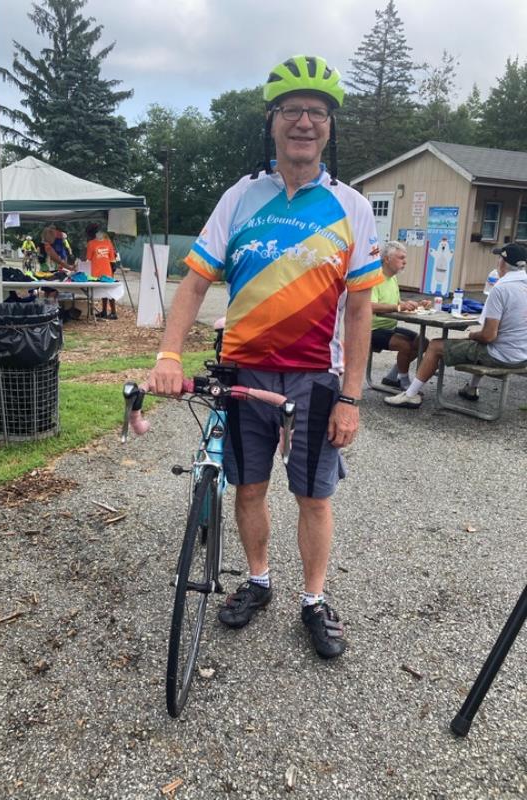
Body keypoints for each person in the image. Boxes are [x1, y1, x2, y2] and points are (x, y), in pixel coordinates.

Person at [147, 55, 382, 659]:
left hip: (316, 379)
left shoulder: (352, 206)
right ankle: (258, 581)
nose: (305, 122)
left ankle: (313, 598)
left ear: (330, 127)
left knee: (313, 496)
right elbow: (194, 284)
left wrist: (352, 397)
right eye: (292, 111)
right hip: (246, 371)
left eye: (318, 113)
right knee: (248, 489)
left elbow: (360, 313)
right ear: (272, 122)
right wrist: (169, 354)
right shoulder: (239, 197)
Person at [385, 242, 527, 408]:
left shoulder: (501, 289)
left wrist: (471, 335)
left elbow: (488, 336)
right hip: (522, 356)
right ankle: (471, 388)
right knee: (477, 344)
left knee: (436, 345)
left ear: (502, 263)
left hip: (501, 356)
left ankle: (410, 394)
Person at [370, 240, 430, 390]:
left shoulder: (393, 278)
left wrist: (414, 304)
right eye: (401, 258)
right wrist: (398, 306)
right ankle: (404, 381)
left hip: (390, 327)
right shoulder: (374, 277)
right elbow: (371, 306)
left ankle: (393, 376)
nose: (405, 262)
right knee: (405, 345)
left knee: (423, 342)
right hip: (371, 330)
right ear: (387, 259)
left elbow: (395, 303)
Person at [86, 230, 118, 319]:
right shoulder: (91, 243)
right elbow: (88, 258)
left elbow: (112, 258)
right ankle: (104, 311)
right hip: (96, 272)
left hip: (107, 271)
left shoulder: (108, 242)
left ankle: (113, 312)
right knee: (103, 292)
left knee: (110, 291)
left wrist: (113, 267)